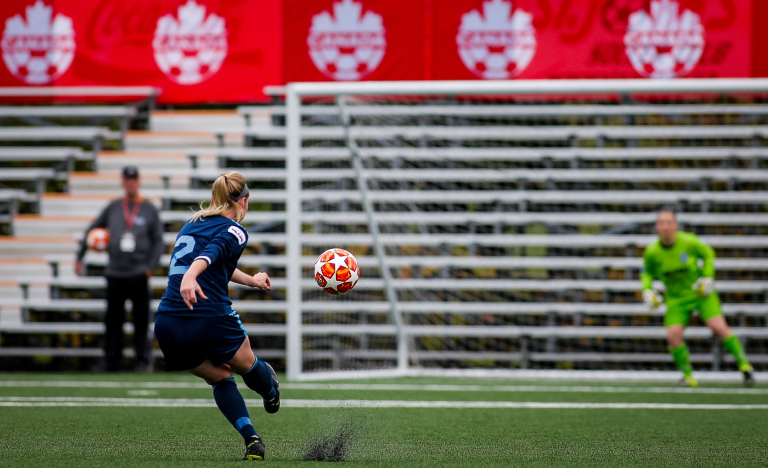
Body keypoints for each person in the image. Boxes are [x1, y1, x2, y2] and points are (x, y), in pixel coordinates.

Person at [154, 171, 279, 461]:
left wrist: (252, 280)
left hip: (169, 324)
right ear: (243, 202)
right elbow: (212, 252)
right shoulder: (236, 230)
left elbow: (216, 261)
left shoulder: (191, 224)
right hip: (209, 318)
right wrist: (191, 276)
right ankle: (270, 390)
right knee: (248, 365)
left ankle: (252, 440)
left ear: (213, 198)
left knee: (221, 378)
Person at [641, 208, 754, 387]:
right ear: (656, 226)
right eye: (661, 223)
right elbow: (646, 272)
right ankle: (688, 376)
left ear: (675, 225)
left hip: (701, 294)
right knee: (673, 335)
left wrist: (707, 277)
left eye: (669, 222)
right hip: (676, 298)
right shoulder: (652, 252)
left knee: (718, 327)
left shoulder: (689, 242)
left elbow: (708, 254)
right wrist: (647, 289)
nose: (665, 227)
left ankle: (744, 366)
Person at [75, 166, 164, 372]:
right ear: (123, 182)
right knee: (113, 320)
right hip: (115, 273)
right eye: (127, 179)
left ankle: (142, 361)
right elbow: (92, 230)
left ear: (138, 182)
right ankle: (112, 362)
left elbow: (158, 241)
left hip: (139, 273)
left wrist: (150, 267)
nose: (131, 183)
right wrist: (79, 256)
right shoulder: (114, 207)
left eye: (134, 179)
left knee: (141, 320)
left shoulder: (149, 209)